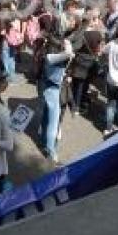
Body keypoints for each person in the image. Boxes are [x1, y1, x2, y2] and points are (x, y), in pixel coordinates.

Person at [39, 34, 72, 162]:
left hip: (47, 87)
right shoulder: (52, 57)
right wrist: (66, 43)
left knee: (46, 118)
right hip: (54, 90)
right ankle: (50, 150)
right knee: (53, 123)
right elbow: (68, 52)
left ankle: (43, 141)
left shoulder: (48, 56)